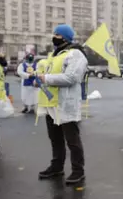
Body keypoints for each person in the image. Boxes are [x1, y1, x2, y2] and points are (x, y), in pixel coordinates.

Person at [36, 24, 89, 185]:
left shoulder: (76, 54)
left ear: (64, 37)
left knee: (72, 140)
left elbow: (71, 78)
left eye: (57, 34)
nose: (54, 37)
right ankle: (57, 166)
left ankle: (78, 171)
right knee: (55, 138)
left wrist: (47, 79)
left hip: (66, 104)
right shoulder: (54, 55)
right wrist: (39, 79)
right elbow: (50, 74)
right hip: (51, 103)